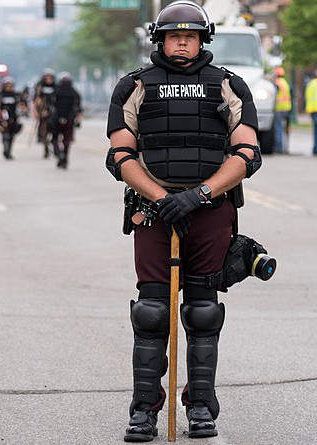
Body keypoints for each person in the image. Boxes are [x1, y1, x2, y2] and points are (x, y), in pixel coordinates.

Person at [105, 2, 261, 441]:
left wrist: (199, 195)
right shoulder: (134, 86)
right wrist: (161, 198)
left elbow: (247, 153)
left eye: (190, 35)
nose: (182, 41)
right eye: (173, 35)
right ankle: (143, 410)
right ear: (159, 38)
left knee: (203, 310)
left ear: (202, 39)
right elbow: (120, 155)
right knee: (152, 313)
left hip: (210, 210)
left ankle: (200, 408)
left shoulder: (228, 85)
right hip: (154, 212)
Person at [50, 72, 81, 169]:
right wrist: (78, 120)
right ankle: (64, 157)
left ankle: (60, 155)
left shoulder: (55, 91)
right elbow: (79, 108)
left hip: (57, 118)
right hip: (69, 120)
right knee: (67, 140)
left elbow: (50, 105)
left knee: (55, 139)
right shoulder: (75, 93)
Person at [0, 77, 27, 160]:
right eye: (7, 85)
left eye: (10, 86)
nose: (9, 87)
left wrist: (24, 109)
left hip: (14, 117)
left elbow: (23, 105)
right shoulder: (0, 95)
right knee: (5, 135)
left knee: (11, 135)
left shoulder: (17, 95)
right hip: (2, 118)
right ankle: (6, 151)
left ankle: (9, 151)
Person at [33, 68, 56, 158]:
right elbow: (35, 100)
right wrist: (36, 111)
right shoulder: (40, 87)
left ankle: (55, 148)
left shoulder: (56, 87)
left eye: (51, 78)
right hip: (43, 111)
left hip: (53, 112)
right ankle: (46, 149)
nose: (49, 80)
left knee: (54, 131)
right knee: (44, 132)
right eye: (47, 78)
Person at [273, 66, 292, 154]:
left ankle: (279, 147)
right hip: (286, 108)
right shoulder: (284, 82)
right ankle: (284, 147)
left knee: (278, 128)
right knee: (284, 129)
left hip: (279, 109)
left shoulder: (277, 83)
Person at [305, 70, 317, 156]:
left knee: (315, 130)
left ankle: (315, 148)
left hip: (312, 110)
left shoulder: (310, 85)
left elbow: (307, 97)